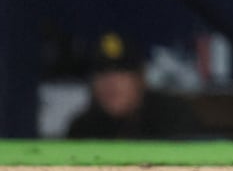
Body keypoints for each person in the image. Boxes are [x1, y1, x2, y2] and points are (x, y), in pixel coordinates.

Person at [67, 32, 201, 140]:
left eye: (122, 71)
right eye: (102, 72)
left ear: (140, 78)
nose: (111, 83)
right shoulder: (83, 129)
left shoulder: (173, 118)